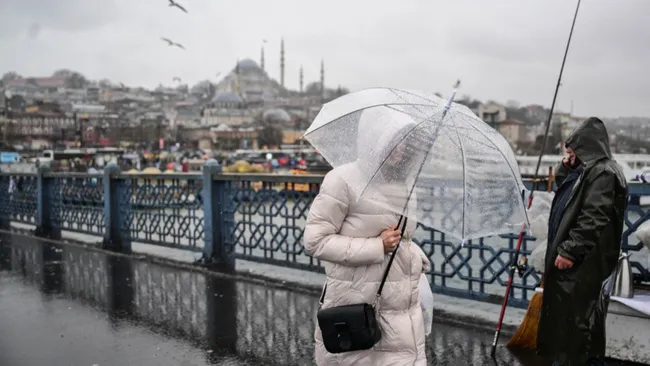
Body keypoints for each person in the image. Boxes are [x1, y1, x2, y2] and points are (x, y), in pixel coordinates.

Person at [303, 108, 431, 365]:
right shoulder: (342, 180)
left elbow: (402, 239)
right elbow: (315, 241)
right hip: (360, 303)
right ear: (373, 139)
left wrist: (414, 254)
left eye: (406, 142)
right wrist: (377, 246)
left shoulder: (407, 185)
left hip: (403, 305)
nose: (401, 149)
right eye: (393, 142)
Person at [537, 117, 628, 366]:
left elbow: (593, 216)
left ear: (586, 147)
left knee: (578, 321)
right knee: (571, 318)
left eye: (573, 149)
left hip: (584, 262)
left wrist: (570, 251)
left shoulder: (604, 172)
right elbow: (567, 190)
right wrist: (567, 165)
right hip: (580, 260)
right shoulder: (590, 169)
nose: (570, 153)